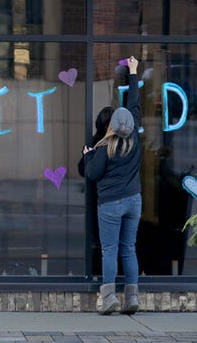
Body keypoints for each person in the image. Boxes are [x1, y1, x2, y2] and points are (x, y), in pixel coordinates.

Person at [83, 55, 142, 315]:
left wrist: (88, 155)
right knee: (128, 248)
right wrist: (133, 72)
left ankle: (108, 299)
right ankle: (132, 298)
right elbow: (135, 103)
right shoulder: (135, 140)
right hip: (134, 201)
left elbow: (92, 174)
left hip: (110, 204)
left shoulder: (104, 147)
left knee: (109, 250)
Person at [78, 106, 113, 277]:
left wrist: (88, 156)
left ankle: (99, 273)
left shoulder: (96, 142)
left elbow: (83, 169)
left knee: (103, 241)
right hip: (107, 196)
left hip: (98, 196)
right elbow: (84, 169)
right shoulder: (115, 142)